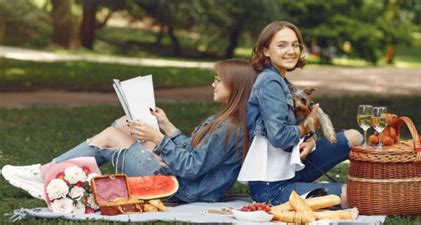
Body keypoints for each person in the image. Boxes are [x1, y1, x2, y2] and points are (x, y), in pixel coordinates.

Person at [2, 59, 258, 203]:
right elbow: (194, 152)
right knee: (125, 122)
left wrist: (158, 138)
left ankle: (46, 174)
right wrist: (167, 126)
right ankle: (52, 173)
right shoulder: (227, 119)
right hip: (185, 177)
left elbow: (191, 166)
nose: (212, 83)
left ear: (234, 85)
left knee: (112, 137)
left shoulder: (230, 127)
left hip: (185, 188)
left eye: (218, 79)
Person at [244, 21, 363, 205]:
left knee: (354, 137)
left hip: (294, 165)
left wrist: (311, 141)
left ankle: (367, 180)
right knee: (356, 195)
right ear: (266, 50)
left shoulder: (281, 80)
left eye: (295, 45)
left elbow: (301, 126)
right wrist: (307, 125)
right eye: (281, 45)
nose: (291, 50)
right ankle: (364, 187)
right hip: (272, 187)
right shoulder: (269, 83)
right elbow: (278, 136)